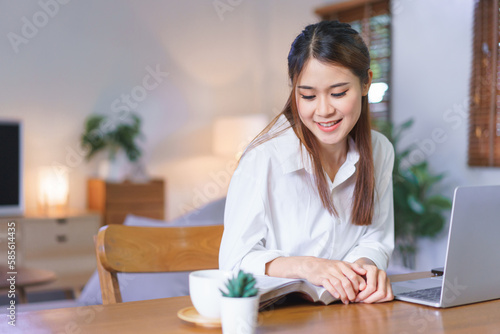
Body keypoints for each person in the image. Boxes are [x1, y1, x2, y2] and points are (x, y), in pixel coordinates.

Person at [219, 20, 394, 304]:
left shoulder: (380, 151)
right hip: (283, 318)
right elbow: (233, 263)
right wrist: (308, 266)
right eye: (308, 96)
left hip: (348, 313)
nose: (323, 110)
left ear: (366, 83)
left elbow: (375, 239)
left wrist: (366, 269)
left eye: (338, 93)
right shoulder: (263, 158)